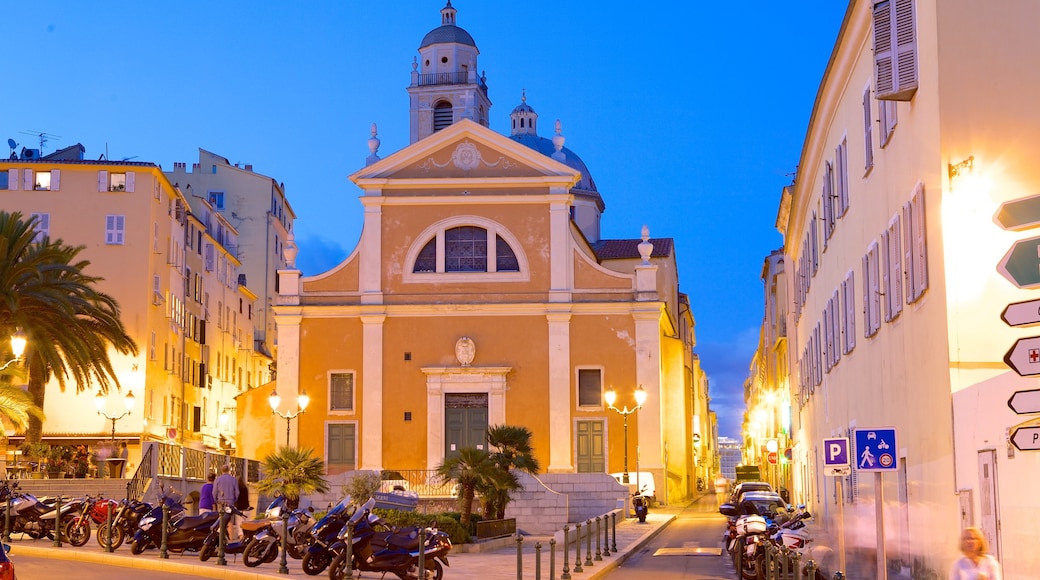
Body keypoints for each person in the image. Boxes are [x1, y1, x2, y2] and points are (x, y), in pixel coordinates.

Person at [213, 464, 239, 539]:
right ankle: (230, 539)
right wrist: (234, 500)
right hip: (230, 502)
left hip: (221, 502)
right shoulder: (233, 480)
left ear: (221, 470)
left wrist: (216, 501)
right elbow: (237, 493)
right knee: (229, 521)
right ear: (229, 470)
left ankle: (221, 539)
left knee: (221, 520)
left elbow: (214, 492)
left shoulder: (217, 480)